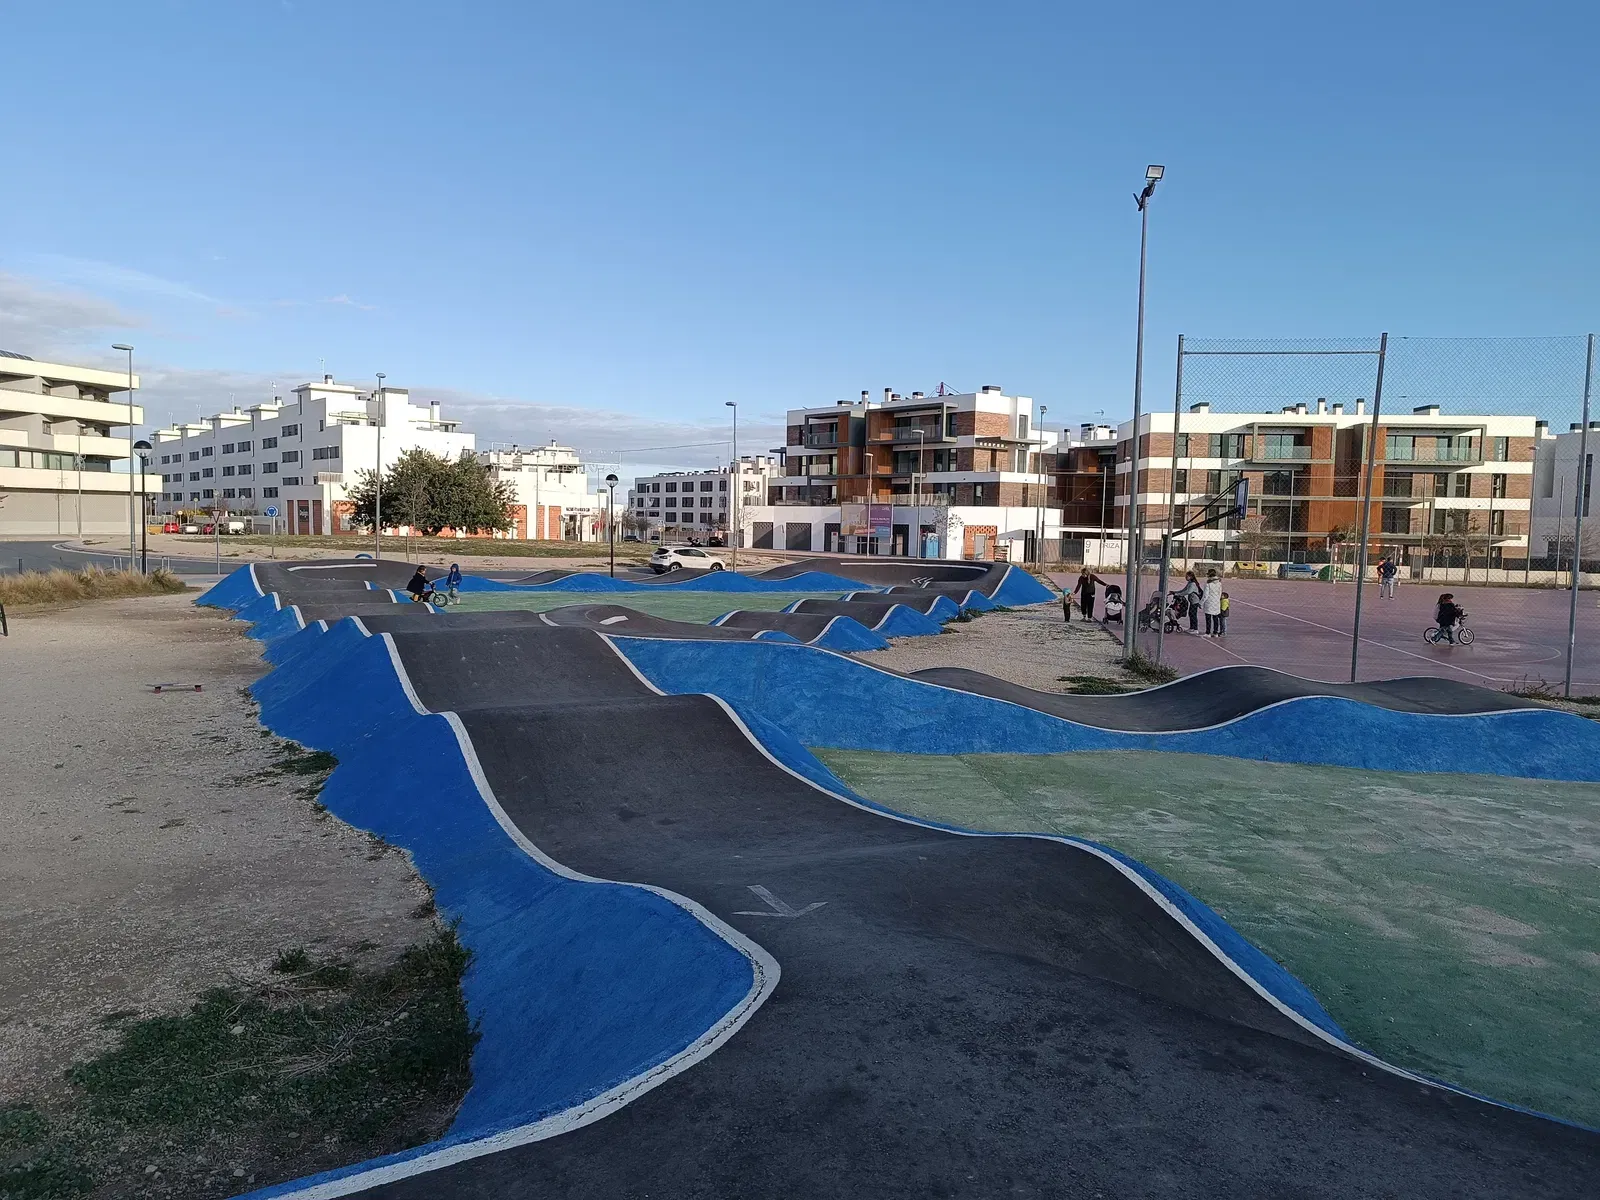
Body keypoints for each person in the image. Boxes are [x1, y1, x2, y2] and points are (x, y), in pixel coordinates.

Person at [1201, 570, 1223, 636]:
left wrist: (1201, 602)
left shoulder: (1208, 584)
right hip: (1216, 602)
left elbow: (1205, 595)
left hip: (1209, 602)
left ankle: (1208, 632)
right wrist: (1217, 600)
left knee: (1208, 618)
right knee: (1215, 618)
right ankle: (1215, 632)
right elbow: (1220, 593)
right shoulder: (1219, 583)